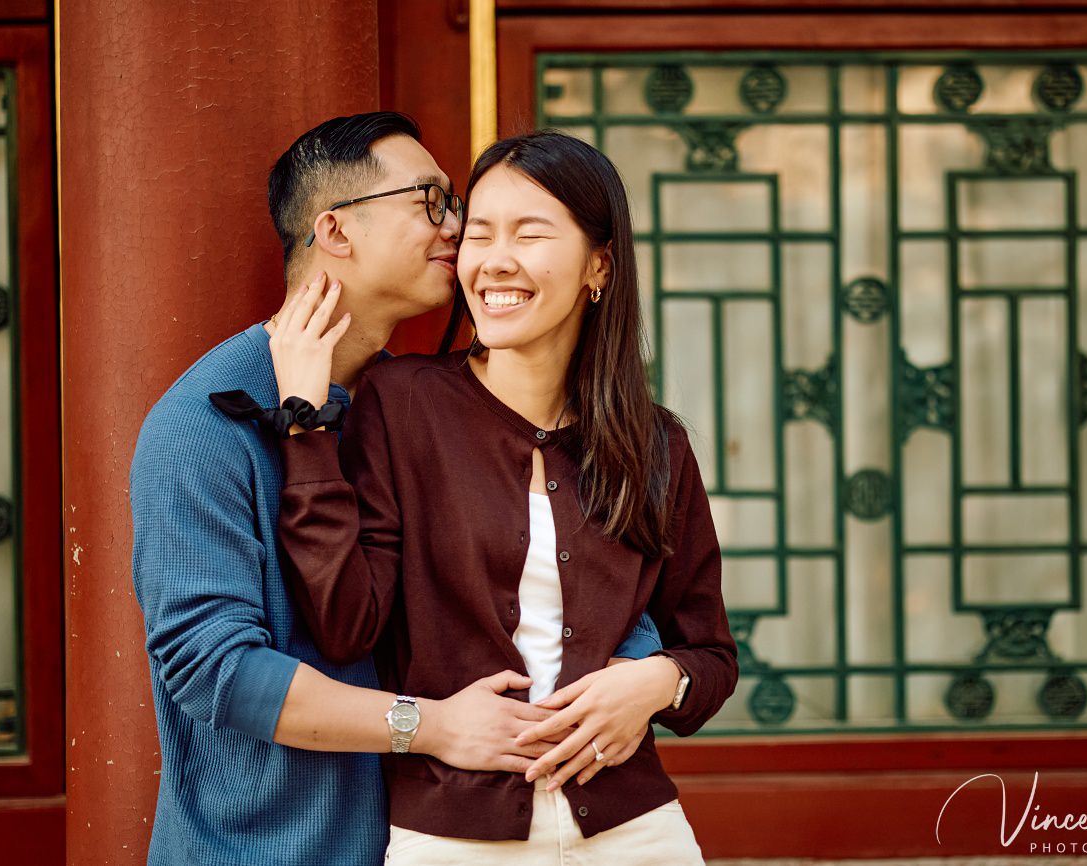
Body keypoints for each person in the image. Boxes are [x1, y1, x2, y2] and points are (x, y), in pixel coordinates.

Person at [130, 112, 660, 866]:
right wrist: (432, 725)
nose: (460, 229)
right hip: (263, 849)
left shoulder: (417, 408)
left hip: (431, 841)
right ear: (337, 232)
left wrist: (648, 673)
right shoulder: (202, 424)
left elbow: (554, 570)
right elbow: (211, 668)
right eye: (431, 202)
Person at [270, 130, 738, 864]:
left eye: (530, 233)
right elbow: (346, 621)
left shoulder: (654, 444)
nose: (494, 259)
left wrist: (655, 682)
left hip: (636, 832)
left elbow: (710, 655)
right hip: (451, 839)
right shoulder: (404, 405)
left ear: (599, 266)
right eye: (480, 233)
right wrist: (305, 425)